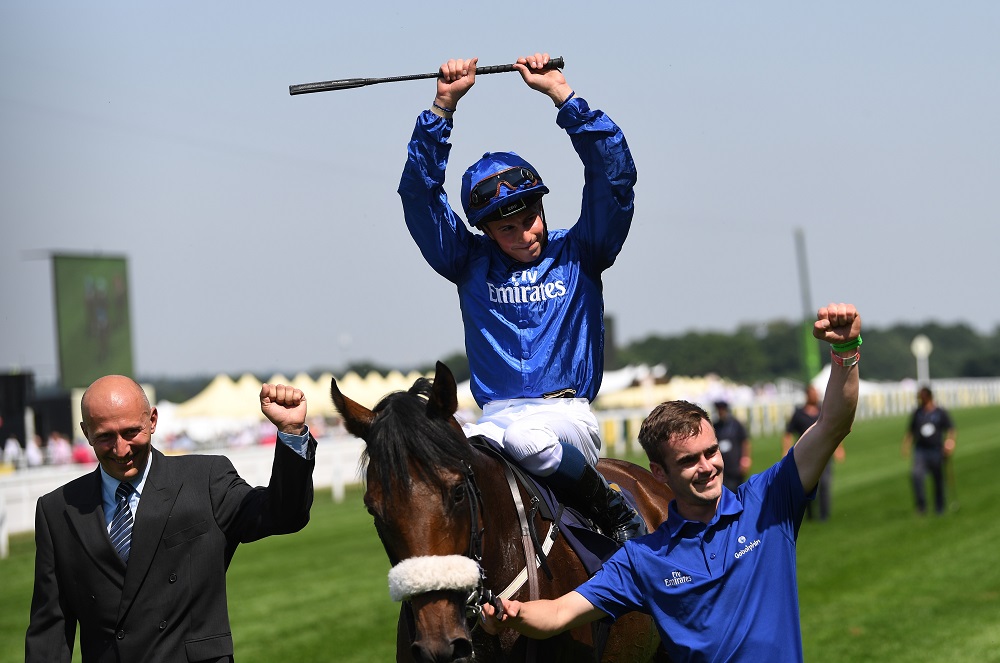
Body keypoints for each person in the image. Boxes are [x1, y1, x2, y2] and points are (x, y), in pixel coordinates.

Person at [482, 304, 862, 662]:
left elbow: (833, 425)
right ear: (659, 473)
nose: (708, 467)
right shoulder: (643, 558)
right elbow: (559, 614)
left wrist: (846, 352)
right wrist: (511, 613)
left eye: (710, 452)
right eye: (689, 461)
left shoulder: (768, 501)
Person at [398, 52, 644, 544]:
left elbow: (612, 177)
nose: (525, 235)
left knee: (527, 439)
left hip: (565, 417)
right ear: (483, 230)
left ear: (541, 205)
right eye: (506, 229)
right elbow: (420, 199)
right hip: (493, 421)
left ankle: (614, 512)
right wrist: (442, 109)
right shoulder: (468, 261)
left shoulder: (584, 248)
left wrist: (563, 97)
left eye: (530, 217)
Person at [25, 375, 317, 662]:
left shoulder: (205, 480)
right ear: (85, 432)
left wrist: (291, 431)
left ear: (152, 420)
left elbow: (284, 515)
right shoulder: (57, 510)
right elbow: (49, 632)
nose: (121, 449)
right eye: (104, 436)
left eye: (130, 432)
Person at [782, 383, 845, 520]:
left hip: (824, 453)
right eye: (813, 393)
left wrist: (839, 448)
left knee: (825, 483)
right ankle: (810, 515)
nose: (816, 395)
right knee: (807, 485)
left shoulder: (823, 410)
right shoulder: (799, 413)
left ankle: (824, 516)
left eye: (816, 393)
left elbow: (835, 430)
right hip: (805, 455)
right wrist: (786, 450)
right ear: (807, 395)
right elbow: (788, 433)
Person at [901, 386, 956, 515]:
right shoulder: (917, 413)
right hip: (921, 450)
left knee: (938, 479)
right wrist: (906, 445)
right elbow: (911, 431)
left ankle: (939, 507)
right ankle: (921, 506)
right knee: (916, 475)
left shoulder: (940, 412)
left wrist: (950, 443)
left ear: (929, 397)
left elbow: (951, 429)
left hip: (936, 450)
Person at [712, 400, 751, 492]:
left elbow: (745, 441)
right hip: (723, 466)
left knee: (738, 491)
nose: (720, 412)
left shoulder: (736, 424)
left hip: (735, 465)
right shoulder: (715, 426)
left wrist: (745, 458)